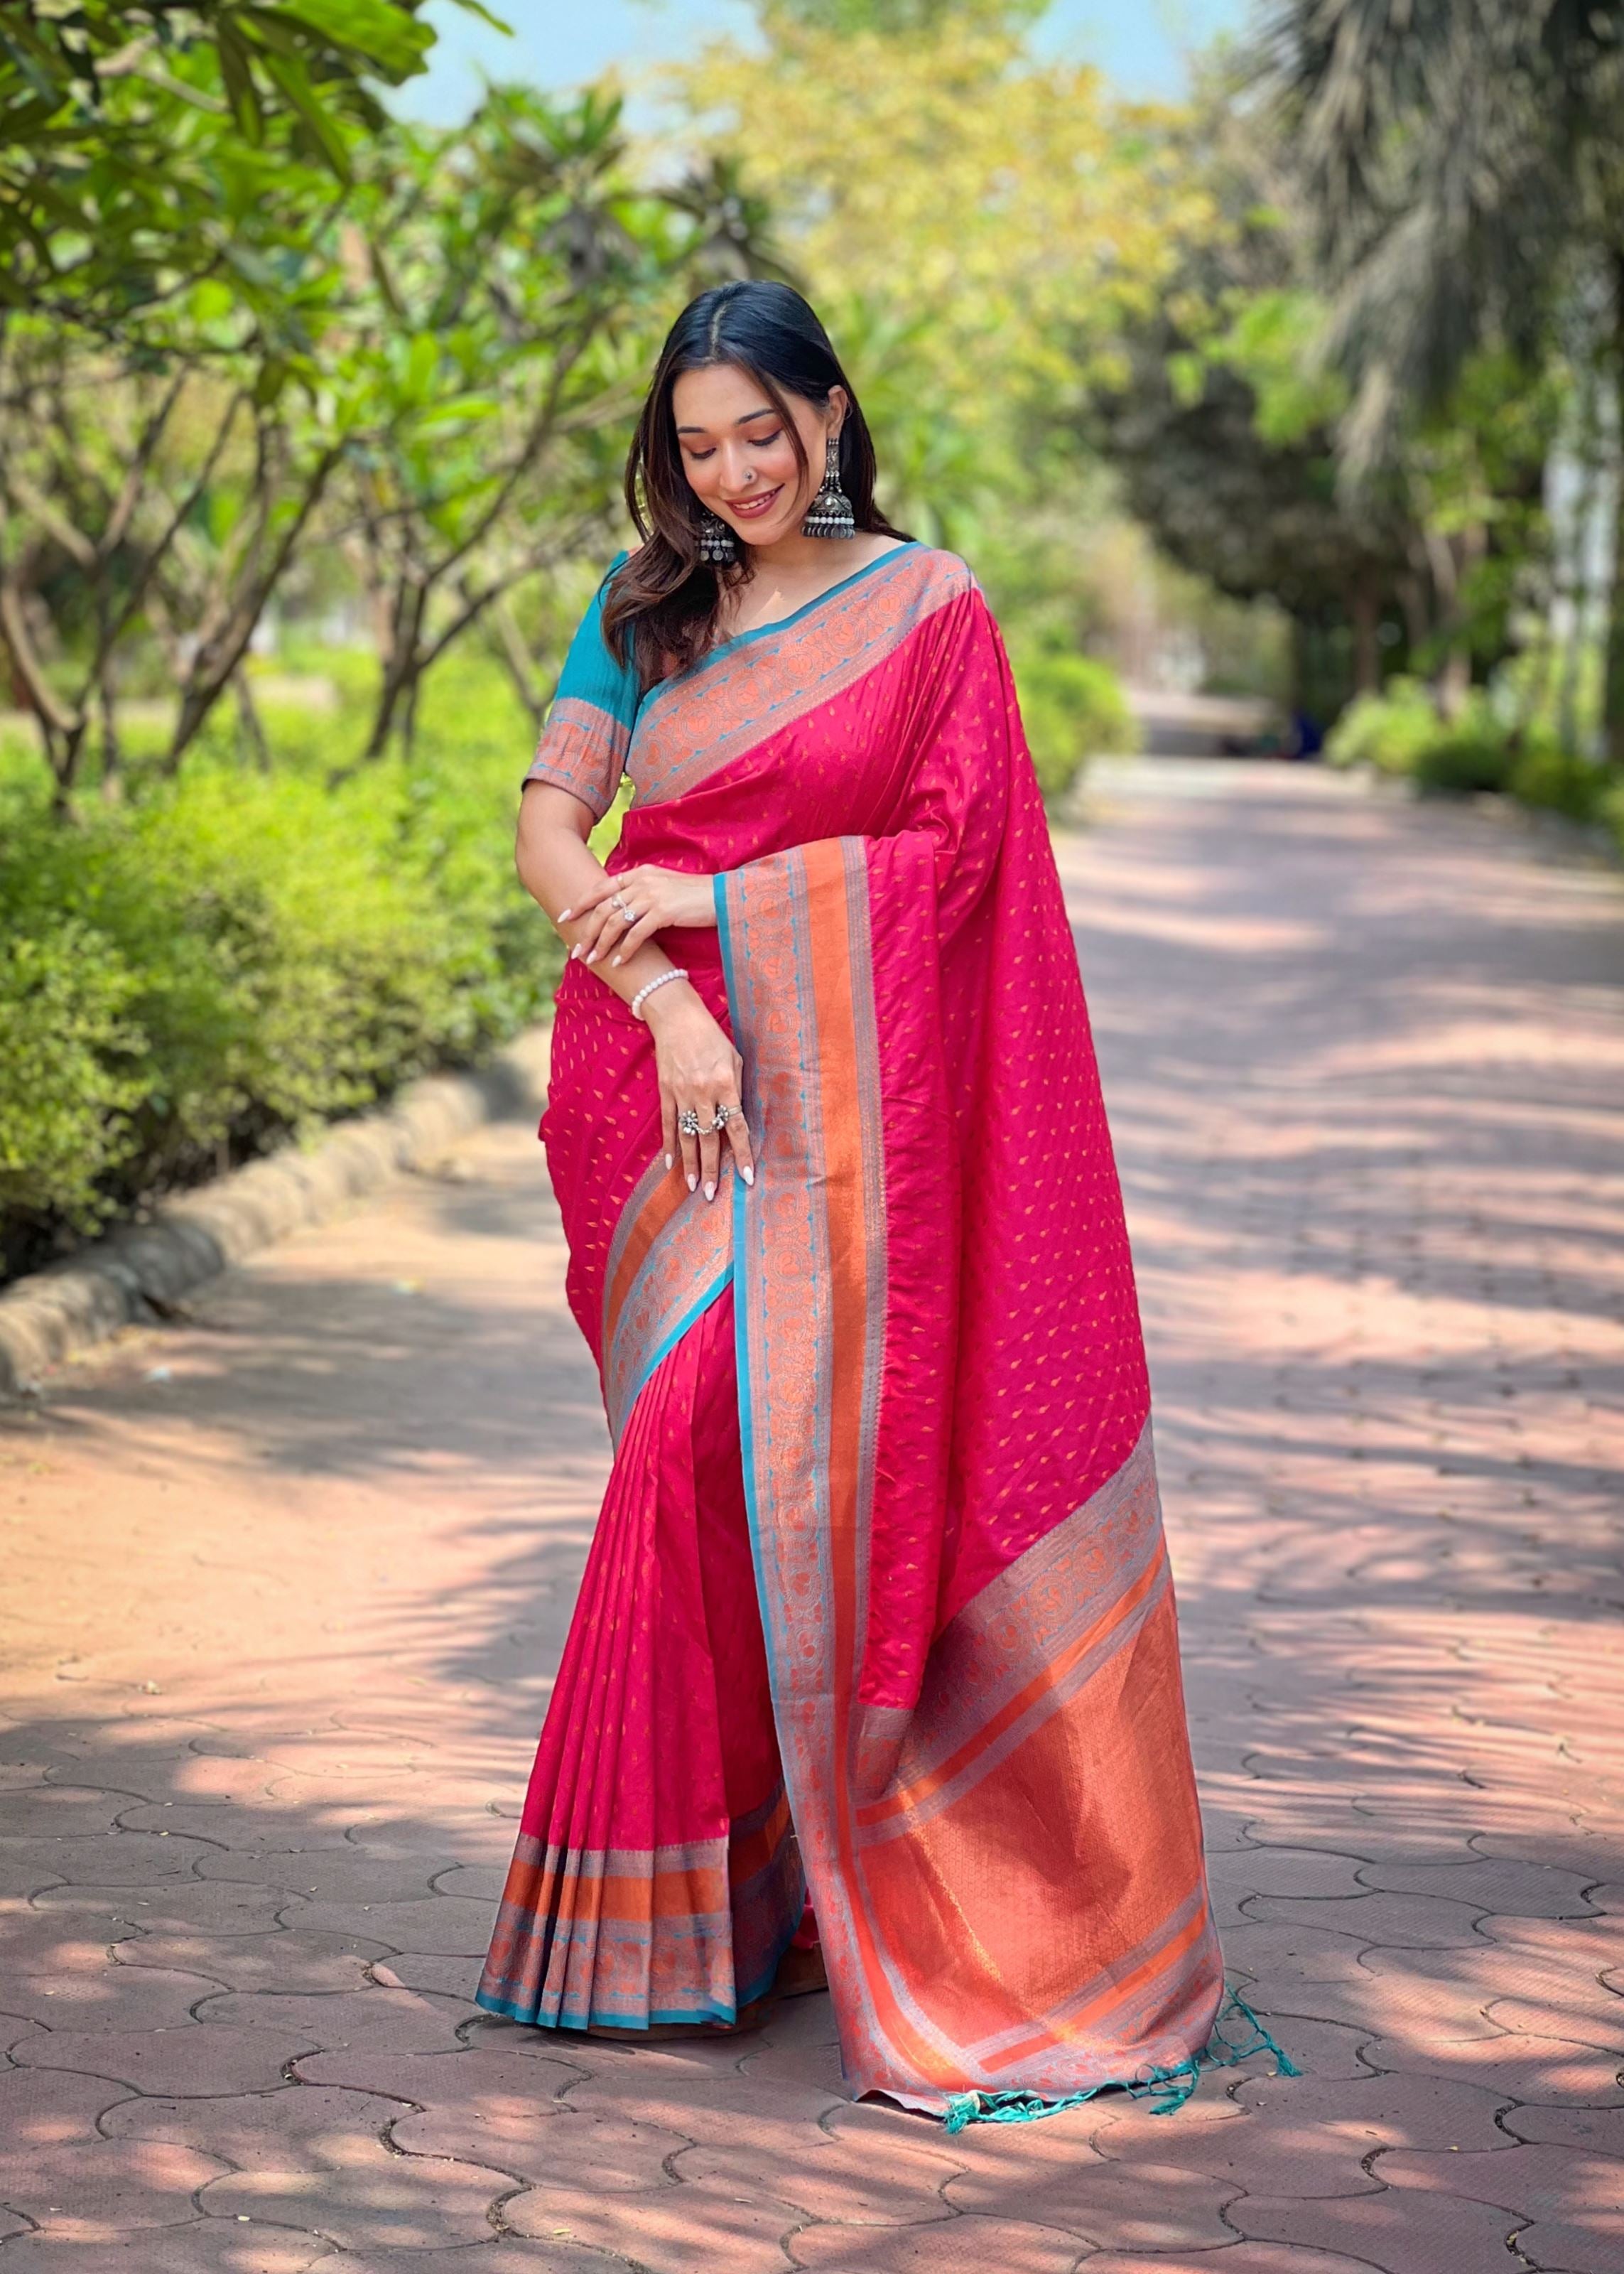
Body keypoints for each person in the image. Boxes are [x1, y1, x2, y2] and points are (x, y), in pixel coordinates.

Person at [476, 279, 1226, 2123]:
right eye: (700, 440)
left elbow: (957, 854)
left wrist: (733, 913)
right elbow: (554, 826)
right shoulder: (643, 608)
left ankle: (796, 1869)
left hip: (858, 1083)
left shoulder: (927, 604)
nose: (734, 471)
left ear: (829, 413)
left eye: (763, 432)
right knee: (687, 1435)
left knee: (777, 1450)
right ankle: (660, 1923)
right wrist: (662, 995)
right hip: (663, 1077)